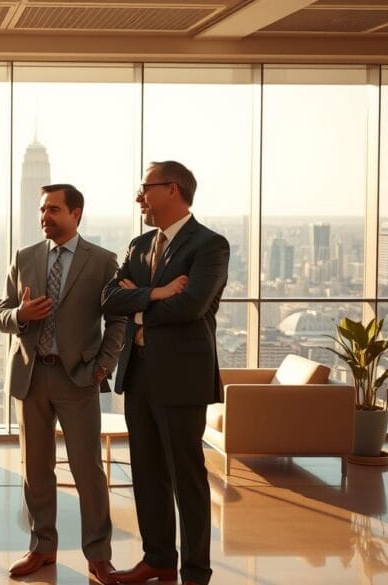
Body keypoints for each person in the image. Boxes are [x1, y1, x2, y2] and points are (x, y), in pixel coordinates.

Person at [100, 161, 229, 585]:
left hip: (181, 379)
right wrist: (155, 294)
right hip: (138, 376)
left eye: (145, 188)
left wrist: (136, 304)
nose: (138, 197)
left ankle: (195, 572)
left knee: (186, 478)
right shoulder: (139, 245)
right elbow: (108, 300)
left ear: (172, 189)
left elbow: (191, 307)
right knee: (147, 473)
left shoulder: (209, 245)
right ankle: (157, 559)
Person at [0, 184, 125, 584]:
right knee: (37, 470)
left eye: (53, 209)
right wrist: (21, 313)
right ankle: (42, 547)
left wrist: (104, 365)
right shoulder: (25, 257)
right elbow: (2, 315)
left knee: (87, 471)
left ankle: (98, 556)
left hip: (78, 379)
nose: (44, 217)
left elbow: (117, 319)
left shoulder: (102, 262)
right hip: (30, 377)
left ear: (76, 213)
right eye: (41, 209)